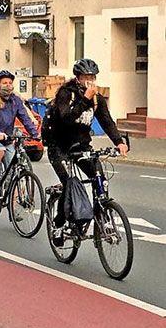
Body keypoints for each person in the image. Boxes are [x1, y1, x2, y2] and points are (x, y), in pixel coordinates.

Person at [47, 59, 128, 234]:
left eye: (92, 77)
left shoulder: (97, 99)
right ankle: (59, 225)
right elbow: (66, 117)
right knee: (69, 183)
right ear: (78, 78)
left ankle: (103, 217)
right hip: (60, 147)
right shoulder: (66, 94)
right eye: (86, 77)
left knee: (100, 179)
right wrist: (85, 99)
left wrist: (119, 142)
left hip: (81, 146)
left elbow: (107, 122)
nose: (89, 80)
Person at [0, 70, 40, 197]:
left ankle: (15, 208)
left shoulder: (15, 100)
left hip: (7, 139)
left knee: (12, 172)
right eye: (4, 83)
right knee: (0, 150)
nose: (8, 85)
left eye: (10, 83)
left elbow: (25, 118)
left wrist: (35, 133)